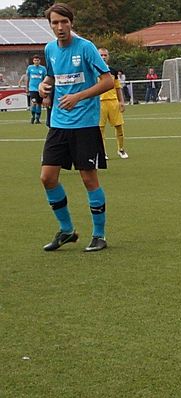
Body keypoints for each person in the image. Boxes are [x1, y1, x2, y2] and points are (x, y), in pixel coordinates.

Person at [37, 3, 114, 253]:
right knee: (47, 178)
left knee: (88, 179)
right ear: (50, 25)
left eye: (64, 22)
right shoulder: (50, 49)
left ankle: (99, 235)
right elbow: (52, 76)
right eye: (55, 23)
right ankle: (67, 230)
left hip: (85, 124)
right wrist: (43, 85)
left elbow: (108, 81)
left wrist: (78, 97)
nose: (60, 27)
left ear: (71, 22)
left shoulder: (86, 47)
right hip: (59, 123)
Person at [98, 48, 128, 159]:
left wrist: (121, 101)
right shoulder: (93, 70)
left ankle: (121, 149)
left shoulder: (113, 71)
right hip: (99, 103)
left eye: (105, 55)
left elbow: (118, 87)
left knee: (119, 126)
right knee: (100, 129)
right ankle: (103, 152)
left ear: (108, 56)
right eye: (101, 55)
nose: (103, 57)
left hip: (113, 102)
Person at [24, 55, 47, 124]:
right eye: (35, 60)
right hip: (32, 89)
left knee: (39, 104)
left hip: (40, 89)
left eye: (37, 60)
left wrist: (45, 87)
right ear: (33, 61)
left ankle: (37, 118)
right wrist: (27, 87)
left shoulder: (43, 68)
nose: (36, 61)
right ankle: (33, 116)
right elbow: (27, 78)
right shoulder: (30, 68)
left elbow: (45, 79)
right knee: (34, 102)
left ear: (40, 61)